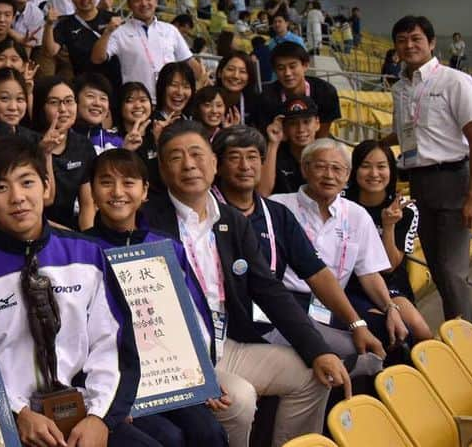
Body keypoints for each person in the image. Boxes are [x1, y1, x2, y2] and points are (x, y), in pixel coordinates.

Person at [141, 122, 350, 447]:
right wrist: (191, 372)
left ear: (212, 162)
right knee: (240, 399)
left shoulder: (230, 221)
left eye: (197, 154)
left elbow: (268, 289)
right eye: (176, 157)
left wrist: (318, 349)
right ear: (162, 169)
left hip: (226, 344)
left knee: (313, 374)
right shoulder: (147, 221)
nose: (189, 164)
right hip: (180, 357)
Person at [0, 136, 151, 447]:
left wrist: (98, 417)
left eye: (27, 182)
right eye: (1, 188)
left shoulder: (87, 254)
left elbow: (112, 343)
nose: (17, 197)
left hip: (83, 411)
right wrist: (15, 413)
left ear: (46, 187)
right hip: (5, 422)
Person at [84, 149, 229, 447]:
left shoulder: (165, 248)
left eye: (129, 182)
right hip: (112, 385)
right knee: (169, 439)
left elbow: (193, 315)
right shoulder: (78, 253)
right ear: (93, 193)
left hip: (167, 377)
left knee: (210, 432)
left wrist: (204, 379)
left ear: (145, 191)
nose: (118, 192)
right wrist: (104, 403)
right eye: (106, 182)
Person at [212, 126, 390, 368]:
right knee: (327, 364)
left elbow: (316, 272)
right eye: (234, 158)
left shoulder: (276, 213)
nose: (245, 166)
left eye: (253, 157)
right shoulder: (208, 213)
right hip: (228, 323)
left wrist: (356, 323)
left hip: (275, 315)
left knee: (366, 352)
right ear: (217, 165)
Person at [270, 139, 409, 354]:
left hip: (332, 305)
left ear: (346, 175)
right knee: (346, 345)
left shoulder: (356, 215)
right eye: (321, 166)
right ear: (305, 169)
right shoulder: (277, 207)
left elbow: (370, 274)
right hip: (288, 301)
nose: (329, 175)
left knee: (392, 334)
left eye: (337, 169)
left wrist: (390, 307)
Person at [390, 15, 472, 322]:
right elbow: (402, 133)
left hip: (454, 180)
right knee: (438, 269)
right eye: (402, 40)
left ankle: (470, 342)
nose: (409, 45)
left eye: (415, 39)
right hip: (419, 182)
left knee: (453, 271)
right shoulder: (399, 88)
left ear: (430, 43)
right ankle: (458, 329)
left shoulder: (455, 81)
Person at [346, 139, 433, 341]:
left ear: (391, 171)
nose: (374, 174)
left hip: (388, 284)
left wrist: (388, 225)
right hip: (347, 279)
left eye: (381, 167)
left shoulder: (405, 209)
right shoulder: (341, 201)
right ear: (355, 170)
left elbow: (389, 266)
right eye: (366, 166)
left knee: (421, 331)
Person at [92, 0, 202, 101]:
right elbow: (97, 59)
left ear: (156, 1)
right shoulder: (119, 32)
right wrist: (107, 32)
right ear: (129, 4)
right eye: (137, 0)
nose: (144, 4)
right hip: (137, 103)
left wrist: (201, 79)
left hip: (169, 101)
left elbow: (190, 63)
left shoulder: (170, 30)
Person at [44, 0, 123, 91]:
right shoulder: (66, 23)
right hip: (84, 87)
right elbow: (51, 51)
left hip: (114, 86)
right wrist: (49, 24)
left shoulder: (111, 18)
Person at [33, 76, 95, 230]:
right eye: (54, 102)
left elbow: (87, 205)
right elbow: (45, 201)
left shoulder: (82, 145)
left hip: (71, 230)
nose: (63, 109)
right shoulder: (27, 143)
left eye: (69, 101)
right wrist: (44, 152)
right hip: (37, 228)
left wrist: (86, 239)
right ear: (42, 106)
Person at [259, 42, 342, 138]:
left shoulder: (325, 92)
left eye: (292, 66)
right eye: (281, 68)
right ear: (274, 70)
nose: (287, 73)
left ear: (305, 65)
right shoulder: (267, 96)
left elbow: (321, 136)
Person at [259, 97, 320, 196]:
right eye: (293, 123)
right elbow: (262, 193)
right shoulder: (275, 154)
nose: (301, 129)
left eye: (306, 122)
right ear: (285, 127)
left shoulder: (328, 153)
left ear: (317, 123)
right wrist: (273, 143)